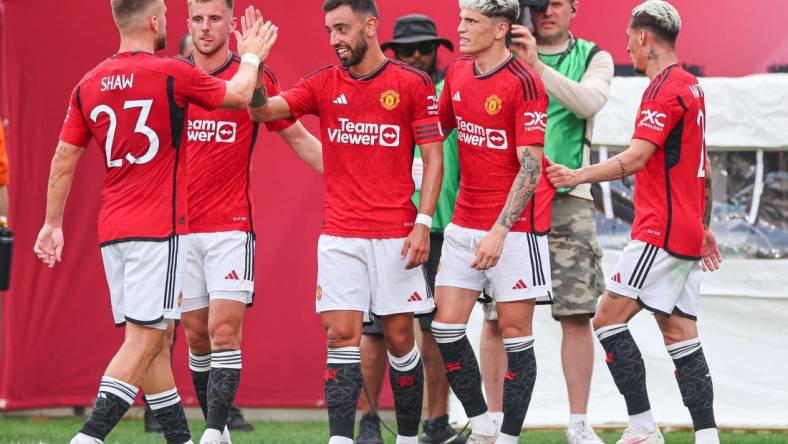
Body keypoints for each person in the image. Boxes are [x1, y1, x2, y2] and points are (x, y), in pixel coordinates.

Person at [32, 0, 277, 442]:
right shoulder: (170, 72)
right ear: (153, 21)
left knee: (156, 343)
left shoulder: (88, 83)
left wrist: (52, 223)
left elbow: (63, 159)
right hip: (159, 228)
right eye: (166, 15)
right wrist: (255, 54)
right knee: (145, 342)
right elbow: (240, 96)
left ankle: (180, 438)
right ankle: (88, 436)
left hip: (113, 232)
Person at [249, 1, 445, 443]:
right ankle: (340, 438)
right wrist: (257, 68)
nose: (335, 38)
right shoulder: (323, 82)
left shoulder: (411, 83)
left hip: (396, 233)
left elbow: (434, 159)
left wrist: (422, 220)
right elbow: (265, 112)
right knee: (341, 335)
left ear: (370, 26)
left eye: (342, 28)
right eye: (328, 30)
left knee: (399, 338)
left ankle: (409, 438)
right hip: (339, 234)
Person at [546, 1, 722, 443]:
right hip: (683, 229)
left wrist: (578, 174)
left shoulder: (664, 88)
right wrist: (704, 223)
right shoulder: (693, 86)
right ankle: (707, 436)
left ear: (644, 37)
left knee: (607, 320)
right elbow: (703, 164)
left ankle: (643, 427)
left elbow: (637, 157)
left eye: (629, 36)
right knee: (679, 332)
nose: (626, 45)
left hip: (659, 232)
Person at [178, 1, 322, 442]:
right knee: (196, 336)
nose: (206, 28)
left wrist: (355, 178)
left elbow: (295, 134)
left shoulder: (254, 74)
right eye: (198, 19)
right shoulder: (173, 77)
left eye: (215, 19)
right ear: (187, 23)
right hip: (179, 228)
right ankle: (216, 431)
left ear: (232, 23)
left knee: (224, 332)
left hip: (231, 225)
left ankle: (213, 431)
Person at [480, 1, 614, 442]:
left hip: (567, 197)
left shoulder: (594, 55)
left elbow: (588, 102)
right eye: (539, 3)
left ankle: (578, 423)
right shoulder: (501, 50)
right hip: (512, 198)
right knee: (498, 315)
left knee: (576, 313)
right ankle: (495, 423)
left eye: (558, 2)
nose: (548, 11)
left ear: (576, 8)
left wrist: (535, 65)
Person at [431, 0, 555, 442]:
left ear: (501, 28)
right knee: (444, 329)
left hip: (515, 232)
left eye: (470, 21)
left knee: (516, 335)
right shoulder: (458, 74)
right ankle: (483, 424)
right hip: (463, 225)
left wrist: (500, 230)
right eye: (461, 19)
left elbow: (531, 168)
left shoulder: (525, 83)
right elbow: (429, 132)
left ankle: (507, 437)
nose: (459, 28)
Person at [355, 13, 464, 444]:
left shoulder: (450, 93)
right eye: (407, 49)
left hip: (444, 225)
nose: (417, 55)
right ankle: (368, 423)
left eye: (426, 47)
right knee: (377, 329)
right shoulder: (378, 89)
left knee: (437, 331)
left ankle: (435, 423)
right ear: (393, 51)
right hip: (388, 225)